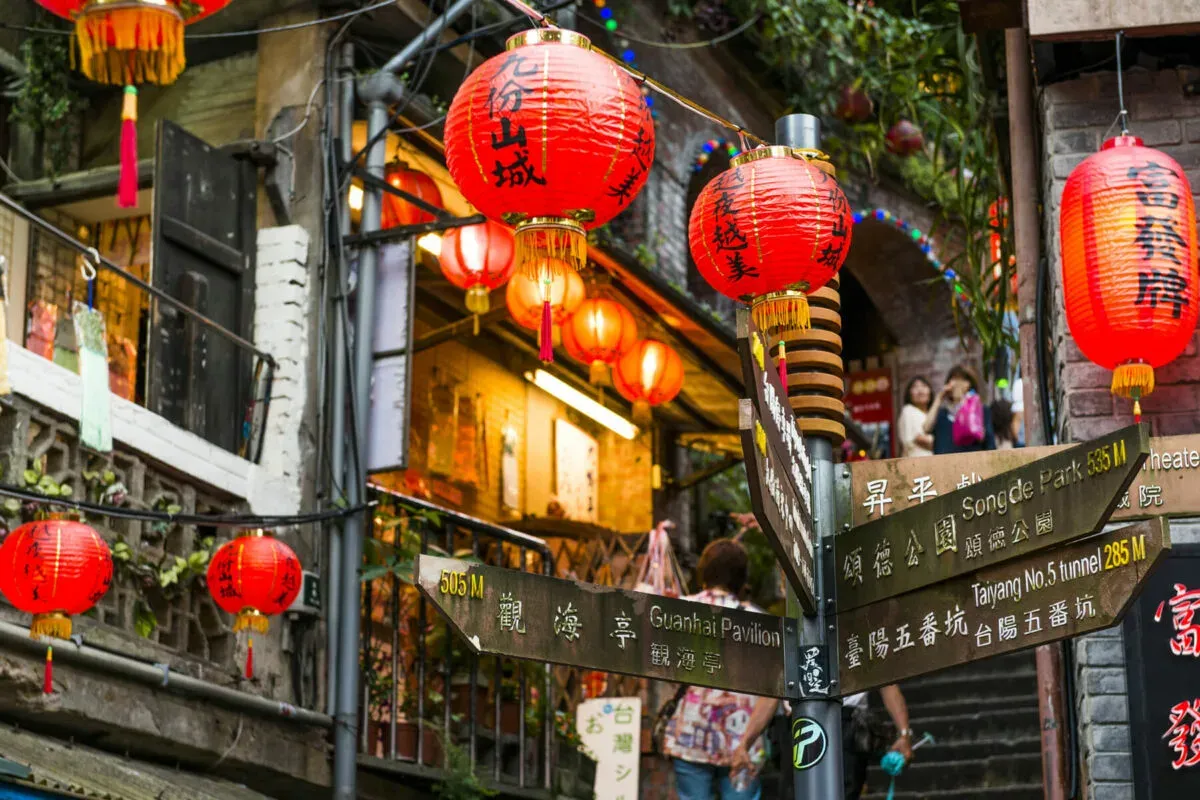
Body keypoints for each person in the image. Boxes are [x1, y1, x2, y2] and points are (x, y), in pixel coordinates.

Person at [663, 539, 778, 800]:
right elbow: (773, 692)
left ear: (704, 571)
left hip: (691, 734)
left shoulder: (677, 612)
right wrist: (746, 742)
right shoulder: (759, 622)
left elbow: (666, 672)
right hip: (743, 740)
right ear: (742, 578)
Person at [923, 364, 995, 454]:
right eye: (954, 379)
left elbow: (989, 443)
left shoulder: (981, 411)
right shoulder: (942, 413)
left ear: (969, 384)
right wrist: (939, 398)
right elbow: (926, 428)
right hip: (944, 464)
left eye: (962, 379)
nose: (957, 383)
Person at [897, 377, 935, 458]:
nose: (920, 391)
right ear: (909, 394)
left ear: (930, 392)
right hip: (916, 464)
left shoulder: (932, 414)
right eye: (915, 387)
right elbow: (919, 439)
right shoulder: (908, 410)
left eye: (924, 386)